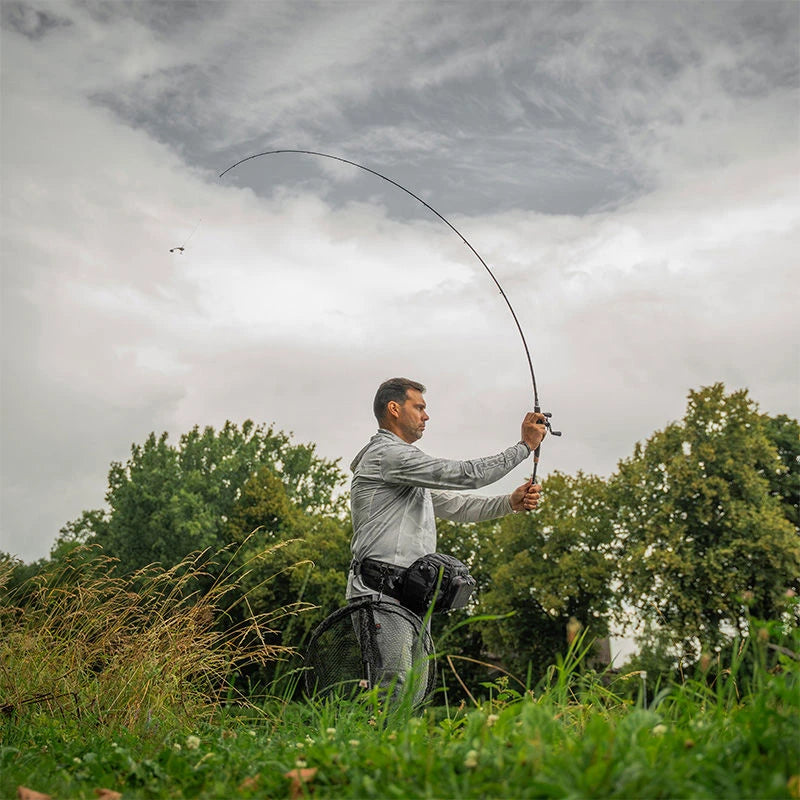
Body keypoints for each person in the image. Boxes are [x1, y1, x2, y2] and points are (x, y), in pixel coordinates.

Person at [346, 377, 547, 697]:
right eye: (420, 407)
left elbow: (458, 505)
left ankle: (398, 746)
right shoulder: (387, 456)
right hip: (380, 593)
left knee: (415, 690)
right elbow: (466, 475)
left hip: (411, 597)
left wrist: (511, 502)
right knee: (392, 689)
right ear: (394, 409)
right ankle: (371, 745)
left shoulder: (404, 470)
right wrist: (523, 448)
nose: (426, 416)